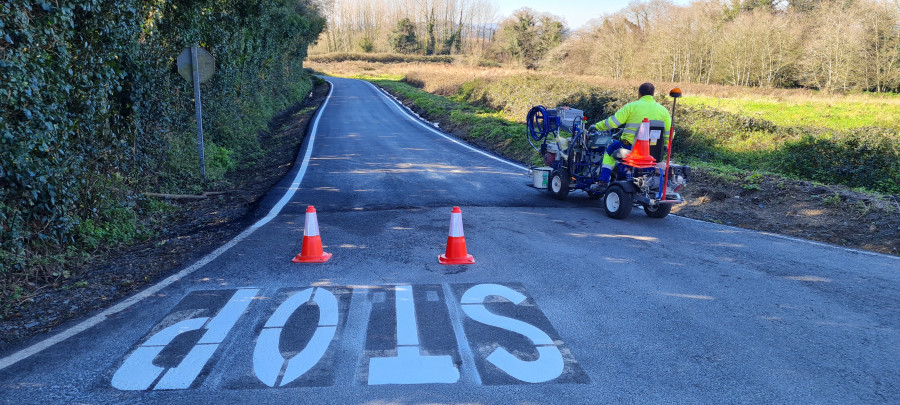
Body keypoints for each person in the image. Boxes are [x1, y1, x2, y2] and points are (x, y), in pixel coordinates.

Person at [592, 82, 671, 187]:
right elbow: (669, 132)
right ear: (653, 94)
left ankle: (603, 181)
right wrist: (665, 145)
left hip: (630, 147)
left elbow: (613, 123)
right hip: (653, 151)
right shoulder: (663, 111)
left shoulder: (631, 107)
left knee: (609, 152)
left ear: (639, 94)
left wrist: (596, 126)